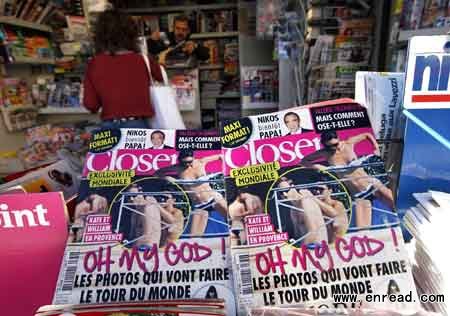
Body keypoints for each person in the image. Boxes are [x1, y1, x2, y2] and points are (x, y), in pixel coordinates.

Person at [83, 9, 163, 129]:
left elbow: (91, 105)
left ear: (100, 35)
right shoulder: (143, 60)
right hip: (139, 126)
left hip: (109, 128)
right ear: (131, 33)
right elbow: (162, 79)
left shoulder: (95, 63)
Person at [301, 130, 394, 227]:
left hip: (371, 183)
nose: (334, 147)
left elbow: (366, 135)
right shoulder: (325, 153)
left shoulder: (348, 143)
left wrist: (376, 148)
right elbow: (304, 161)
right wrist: (319, 167)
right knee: (363, 230)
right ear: (325, 145)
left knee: (394, 205)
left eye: (335, 144)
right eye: (330, 146)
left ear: (338, 139)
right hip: (358, 194)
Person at [156, 150, 227, 236]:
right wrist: (168, 178)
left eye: (190, 161)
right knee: (194, 236)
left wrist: (225, 172)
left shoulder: (201, 162)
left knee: (230, 217)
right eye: (185, 162)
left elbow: (221, 156)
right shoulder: (177, 168)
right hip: (199, 205)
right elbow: (157, 173)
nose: (188, 164)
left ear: (194, 158)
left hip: (212, 198)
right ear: (180, 160)